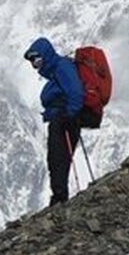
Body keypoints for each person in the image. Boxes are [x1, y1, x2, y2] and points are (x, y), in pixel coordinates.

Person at [24, 37, 85, 205]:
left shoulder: (62, 67)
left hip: (65, 120)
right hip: (62, 118)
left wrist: (70, 114)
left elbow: (76, 92)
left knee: (58, 158)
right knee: (57, 158)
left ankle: (59, 197)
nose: (36, 65)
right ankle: (59, 195)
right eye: (33, 62)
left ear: (46, 54)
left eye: (37, 59)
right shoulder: (56, 71)